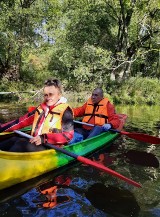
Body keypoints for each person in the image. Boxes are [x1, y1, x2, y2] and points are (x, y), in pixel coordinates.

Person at [0, 79, 74, 152]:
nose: (48, 98)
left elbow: (68, 136)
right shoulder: (41, 108)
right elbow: (22, 121)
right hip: (35, 141)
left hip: (51, 146)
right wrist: (2, 127)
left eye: (51, 94)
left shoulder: (66, 111)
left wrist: (44, 138)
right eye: (45, 95)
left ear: (59, 95)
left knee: (20, 145)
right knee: (12, 140)